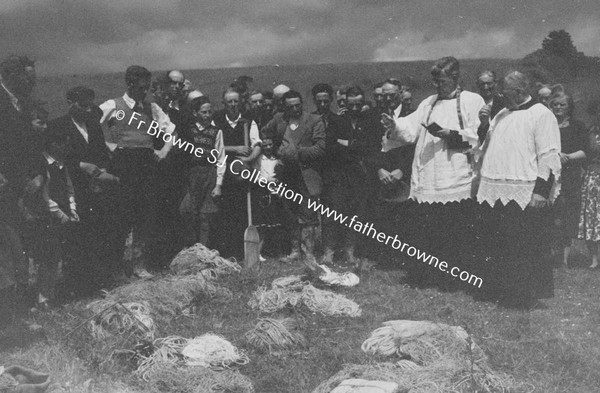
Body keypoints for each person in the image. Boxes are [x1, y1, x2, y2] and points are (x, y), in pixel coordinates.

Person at [382, 56, 485, 289]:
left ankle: (457, 279)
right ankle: (429, 276)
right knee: (430, 230)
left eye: (443, 81)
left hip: (455, 173)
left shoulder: (471, 100)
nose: (438, 86)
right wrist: (394, 126)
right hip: (429, 173)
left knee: (455, 229)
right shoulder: (428, 102)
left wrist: (451, 134)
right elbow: (410, 129)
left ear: (456, 78)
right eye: (435, 81)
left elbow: (479, 134)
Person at [476, 71, 560, 308]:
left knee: (523, 247)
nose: (500, 95)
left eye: (504, 91)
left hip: (524, 192)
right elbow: (486, 143)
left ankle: (523, 297)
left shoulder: (541, 114)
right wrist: (484, 123)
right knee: (499, 244)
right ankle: (501, 291)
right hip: (495, 190)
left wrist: (541, 192)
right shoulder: (501, 114)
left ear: (520, 91)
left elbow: (550, 155)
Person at [99, 65, 176, 277]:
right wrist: (110, 146)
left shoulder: (151, 108)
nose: (146, 91)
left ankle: (139, 265)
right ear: (130, 83)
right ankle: (116, 267)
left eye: (148, 87)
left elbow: (171, 130)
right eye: (142, 87)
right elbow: (94, 127)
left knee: (145, 215)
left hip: (147, 164)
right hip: (123, 165)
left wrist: (164, 151)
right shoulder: (112, 105)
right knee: (121, 218)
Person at [47, 86, 121, 288]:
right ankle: (77, 281)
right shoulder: (57, 125)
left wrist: (102, 173)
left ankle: (99, 279)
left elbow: (101, 155)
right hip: (72, 187)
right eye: (83, 105)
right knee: (77, 234)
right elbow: (53, 157)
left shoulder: (93, 125)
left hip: (96, 188)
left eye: (90, 105)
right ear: (70, 102)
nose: (87, 110)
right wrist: (81, 166)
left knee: (98, 231)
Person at [262, 90, 325, 266]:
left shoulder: (314, 120)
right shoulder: (279, 120)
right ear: (284, 106)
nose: (295, 109)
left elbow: (320, 147)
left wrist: (296, 153)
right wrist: (277, 151)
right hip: (286, 174)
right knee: (289, 213)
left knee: (309, 214)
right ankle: (295, 251)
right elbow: (265, 133)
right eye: (291, 106)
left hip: (307, 174)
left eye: (298, 105)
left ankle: (309, 253)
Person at [20, 127, 80, 307]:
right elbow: (45, 198)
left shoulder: (62, 164)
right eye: (63, 144)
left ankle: (52, 292)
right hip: (47, 218)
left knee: (58, 255)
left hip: (63, 215)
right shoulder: (42, 164)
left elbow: (69, 187)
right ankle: (43, 296)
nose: (67, 147)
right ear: (53, 144)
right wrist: (62, 215)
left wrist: (73, 208)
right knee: (49, 257)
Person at [320, 86, 379, 266]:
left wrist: (347, 143)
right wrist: (355, 146)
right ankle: (329, 251)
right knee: (333, 213)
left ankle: (349, 251)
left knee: (355, 214)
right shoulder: (337, 120)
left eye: (358, 104)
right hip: (338, 174)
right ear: (345, 102)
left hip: (359, 174)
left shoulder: (369, 121)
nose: (354, 108)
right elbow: (329, 146)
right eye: (351, 104)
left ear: (363, 103)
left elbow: (371, 146)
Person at [212, 88, 262, 259]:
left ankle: (244, 251)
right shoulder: (216, 120)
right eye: (229, 102)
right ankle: (227, 251)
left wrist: (247, 160)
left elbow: (257, 145)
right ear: (224, 104)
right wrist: (236, 149)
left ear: (240, 102)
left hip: (243, 173)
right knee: (225, 212)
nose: (233, 105)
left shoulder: (248, 121)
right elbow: (214, 146)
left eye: (235, 101)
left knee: (243, 210)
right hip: (223, 172)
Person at [178, 96, 225, 248]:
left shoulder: (216, 132)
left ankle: (203, 250)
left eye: (210, 112)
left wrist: (218, 185)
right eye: (203, 112)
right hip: (191, 174)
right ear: (195, 113)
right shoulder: (189, 130)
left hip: (209, 174)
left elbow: (221, 158)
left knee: (206, 214)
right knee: (188, 211)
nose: (207, 115)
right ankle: (189, 248)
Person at [548, 91, 587, 267]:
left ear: (569, 107)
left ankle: (564, 258)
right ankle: (550, 254)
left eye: (562, 104)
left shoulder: (578, 126)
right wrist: (556, 155)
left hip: (570, 176)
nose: (558, 107)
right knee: (552, 215)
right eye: (555, 104)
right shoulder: (546, 125)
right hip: (549, 175)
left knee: (568, 215)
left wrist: (567, 157)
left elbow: (586, 151)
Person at [578, 98, 600, 269]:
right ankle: (594, 258)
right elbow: (587, 152)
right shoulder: (591, 131)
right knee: (592, 218)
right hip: (594, 177)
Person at [476, 70, 506, 142]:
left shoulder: (503, 104)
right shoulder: (472, 103)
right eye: (482, 84)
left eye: (489, 83)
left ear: (495, 84)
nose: (485, 87)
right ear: (477, 84)